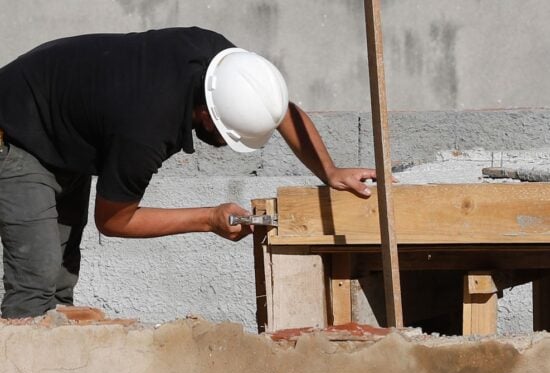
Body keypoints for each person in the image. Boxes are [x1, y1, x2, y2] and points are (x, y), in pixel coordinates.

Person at [0, 27, 377, 319]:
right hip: (15, 133)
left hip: (62, 124)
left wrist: (329, 170)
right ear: (205, 113)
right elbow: (114, 220)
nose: (228, 145)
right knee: (36, 281)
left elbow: (276, 108)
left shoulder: (224, 63)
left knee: (61, 280)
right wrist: (208, 219)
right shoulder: (146, 129)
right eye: (228, 136)